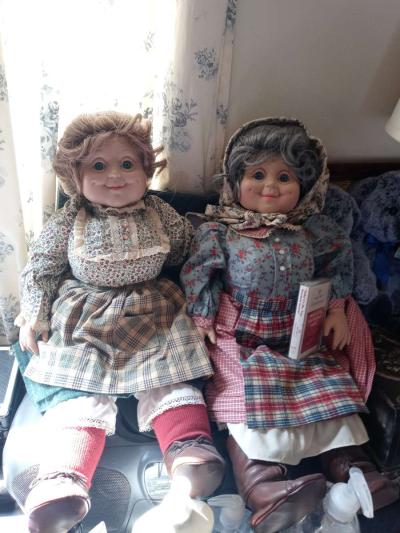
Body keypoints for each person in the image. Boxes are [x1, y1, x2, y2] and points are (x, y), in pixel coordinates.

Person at [181, 117, 399, 532]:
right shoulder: (220, 232)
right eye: (257, 175)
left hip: (299, 336)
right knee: (246, 401)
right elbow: (200, 272)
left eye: (285, 177)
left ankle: (356, 471)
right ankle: (264, 485)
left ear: (305, 183)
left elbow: (337, 265)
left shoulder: (315, 231)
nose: (270, 186)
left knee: (327, 386)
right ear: (235, 180)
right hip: (242, 338)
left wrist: (336, 309)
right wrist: (203, 315)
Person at [14, 111, 225, 533]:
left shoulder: (159, 212)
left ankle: (189, 454)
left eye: (127, 164)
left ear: (146, 171)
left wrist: (213, 245)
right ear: (75, 176)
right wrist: (35, 312)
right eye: (98, 165)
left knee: (170, 372)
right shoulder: (71, 218)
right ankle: (63, 478)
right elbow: (41, 266)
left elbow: (190, 250)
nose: (114, 175)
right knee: (76, 387)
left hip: (153, 305)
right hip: (85, 311)